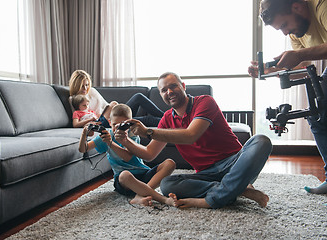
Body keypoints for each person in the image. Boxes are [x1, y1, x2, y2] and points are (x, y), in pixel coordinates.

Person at [115, 72, 272, 209]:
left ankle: (210, 200)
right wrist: (126, 141)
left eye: (173, 86)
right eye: (164, 90)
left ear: (183, 86)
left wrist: (148, 131)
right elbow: (149, 154)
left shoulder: (205, 102)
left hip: (234, 165)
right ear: (161, 95)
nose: (169, 92)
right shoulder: (167, 118)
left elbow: (191, 135)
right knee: (167, 184)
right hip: (206, 174)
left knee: (261, 141)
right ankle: (238, 189)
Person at [249, 0, 327, 194]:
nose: (285, 33)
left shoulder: (321, 6)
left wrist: (299, 55)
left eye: (284, 25)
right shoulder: (296, 32)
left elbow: (301, 56)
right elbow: (305, 70)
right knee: (316, 113)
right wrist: (273, 70)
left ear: (297, 7)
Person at [78, 103, 176, 206]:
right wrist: (84, 133)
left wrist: (111, 143)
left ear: (129, 124)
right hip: (124, 181)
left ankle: (139, 195)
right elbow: (83, 149)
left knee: (170, 163)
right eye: (115, 124)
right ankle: (162, 199)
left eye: (122, 125)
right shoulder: (106, 136)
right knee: (125, 175)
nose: (118, 128)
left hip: (142, 174)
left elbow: (127, 157)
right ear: (110, 122)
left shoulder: (132, 136)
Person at [69, 70, 164, 127]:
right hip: (101, 122)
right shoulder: (73, 99)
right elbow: (77, 121)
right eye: (82, 86)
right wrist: (91, 120)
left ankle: (168, 117)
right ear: (76, 85)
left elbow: (105, 105)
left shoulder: (92, 91)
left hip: (111, 116)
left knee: (138, 97)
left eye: (87, 85)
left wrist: (116, 108)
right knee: (147, 120)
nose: (85, 88)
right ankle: (171, 121)